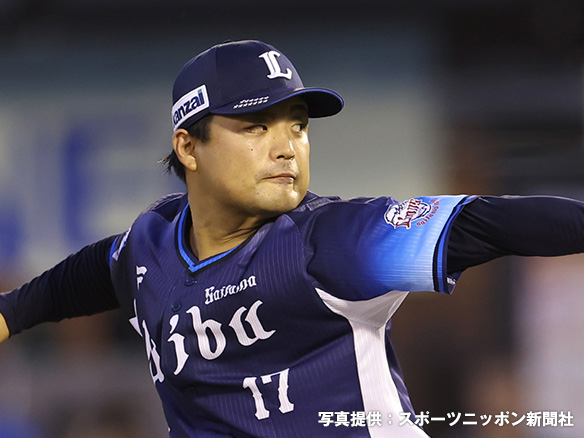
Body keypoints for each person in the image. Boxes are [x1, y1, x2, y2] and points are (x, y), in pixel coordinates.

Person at [1, 39, 583, 438]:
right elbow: (78, 280)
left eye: (298, 126)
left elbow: (487, 222)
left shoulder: (328, 240)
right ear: (188, 147)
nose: (287, 148)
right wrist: (10, 313)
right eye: (256, 126)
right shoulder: (149, 244)